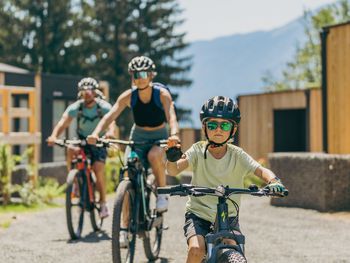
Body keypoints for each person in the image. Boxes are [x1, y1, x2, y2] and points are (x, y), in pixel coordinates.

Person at [165, 96, 287, 263]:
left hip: (228, 215)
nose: (218, 130)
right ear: (204, 127)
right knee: (196, 249)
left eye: (225, 125)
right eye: (212, 125)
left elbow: (261, 171)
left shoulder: (237, 155)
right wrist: (172, 159)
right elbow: (174, 169)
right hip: (198, 214)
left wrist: (274, 182)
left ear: (233, 129)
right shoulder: (197, 150)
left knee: (234, 247)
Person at [87, 56, 180, 212]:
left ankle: (162, 194)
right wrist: (95, 133)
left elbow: (172, 117)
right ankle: (126, 227)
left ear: (151, 75)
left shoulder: (162, 94)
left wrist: (175, 135)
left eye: (144, 74)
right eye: (137, 75)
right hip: (138, 136)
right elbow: (109, 116)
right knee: (128, 172)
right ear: (133, 77)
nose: (141, 78)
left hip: (159, 135)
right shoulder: (128, 96)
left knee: (154, 156)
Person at [47, 77, 116, 218]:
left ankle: (103, 202)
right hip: (82, 140)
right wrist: (54, 136)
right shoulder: (76, 107)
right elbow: (63, 123)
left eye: (90, 90)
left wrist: (110, 133)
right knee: (71, 149)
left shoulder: (103, 107)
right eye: (84, 91)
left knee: (98, 169)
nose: (87, 93)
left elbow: (111, 123)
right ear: (81, 93)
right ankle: (75, 180)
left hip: (99, 141)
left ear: (95, 92)